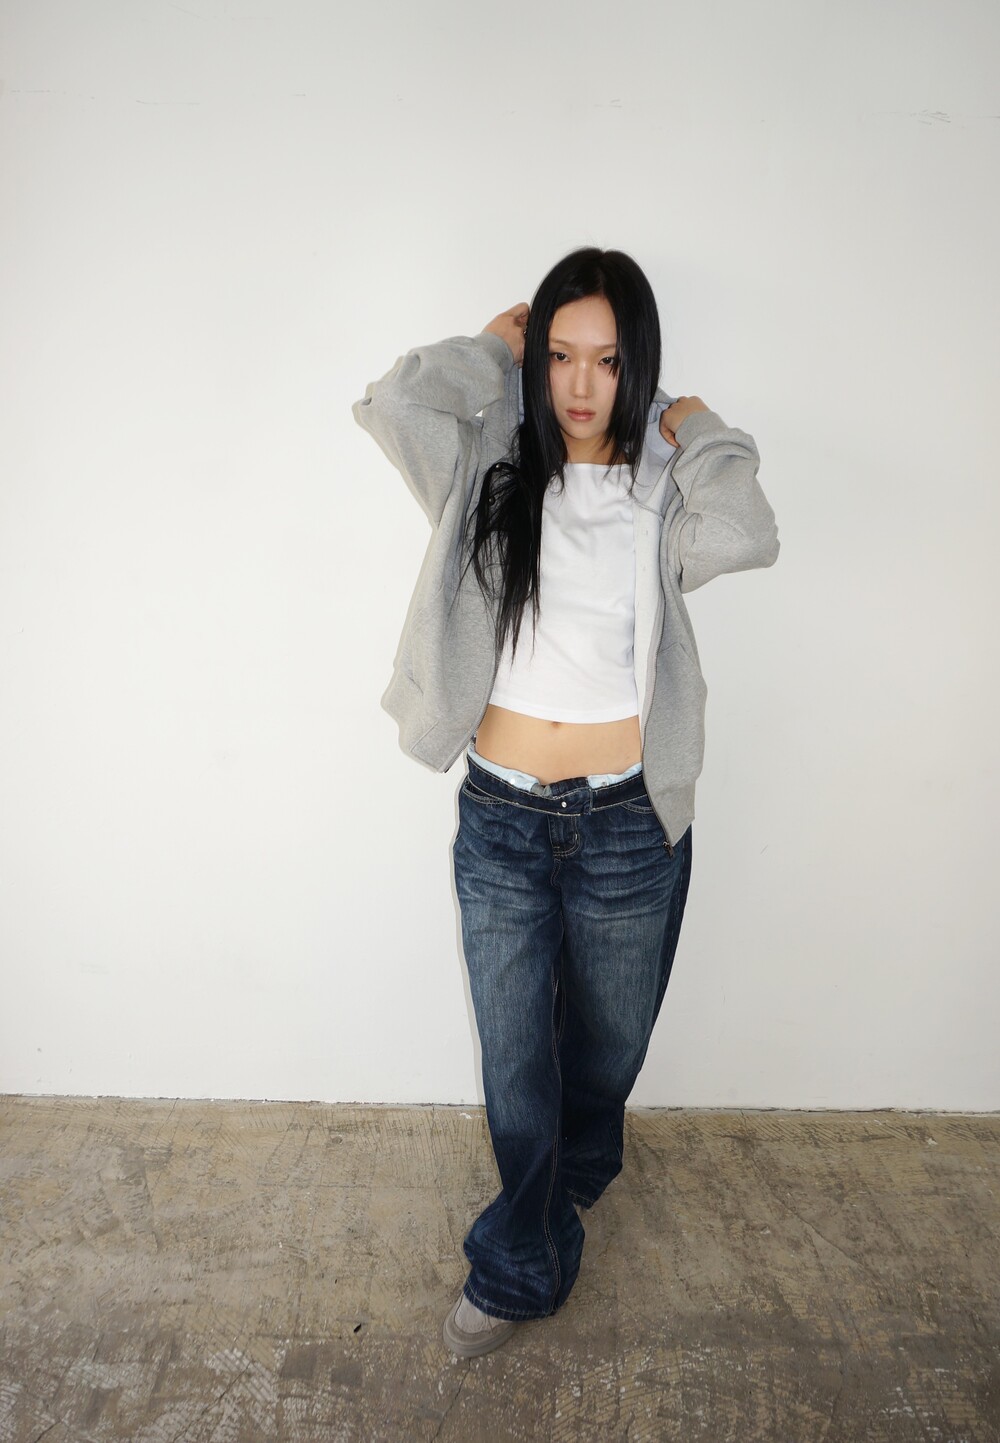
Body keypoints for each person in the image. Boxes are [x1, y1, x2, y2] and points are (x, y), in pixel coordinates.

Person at [353, 247, 779, 1358]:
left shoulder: (661, 488)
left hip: (629, 824)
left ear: (639, 368)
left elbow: (747, 532)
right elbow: (392, 403)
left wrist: (699, 426)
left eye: (608, 360)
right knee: (515, 1061)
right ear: (534, 361)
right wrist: (485, 351)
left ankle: (576, 1167)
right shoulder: (485, 468)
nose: (580, 384)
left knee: (605, 1048)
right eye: (558, 355)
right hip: (501, 818)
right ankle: (519, 1260)